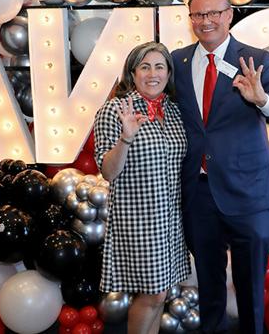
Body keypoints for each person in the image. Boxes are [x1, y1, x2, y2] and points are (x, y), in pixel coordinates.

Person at [171, 0, 269, 333]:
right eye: (199, 14)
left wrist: (263, 100)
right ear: (191, 20)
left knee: (251, 291)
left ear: (230, 15)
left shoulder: (256, 59)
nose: (207, 21)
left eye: (214, 13)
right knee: (210, 288)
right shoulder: (177, 62)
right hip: (199, 194)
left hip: (248, 193)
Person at [93, 41, 190, 334]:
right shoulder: (114, 110)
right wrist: (126, 138)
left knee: (161, 294)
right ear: (132, 73)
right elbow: (109, 172)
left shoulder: (173, 111)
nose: (152, 74)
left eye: (159, 66)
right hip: (139, 219)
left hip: (171, 219)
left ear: (168, 73)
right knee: (153, 294)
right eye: (144, 67)